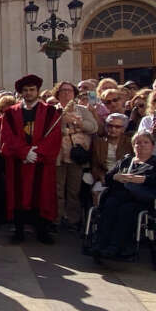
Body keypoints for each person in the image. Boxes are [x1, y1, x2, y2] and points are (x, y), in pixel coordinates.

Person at [0, 74, 63, 244]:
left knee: (42, 195)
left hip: (41, 162)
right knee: (19, 195)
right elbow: (7, 137)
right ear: (21, 93)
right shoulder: (10, 113)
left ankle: (42, 231)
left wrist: (38, 153)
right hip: (19, 162)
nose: (28, 93)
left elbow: (54, 137)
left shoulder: (50, 112)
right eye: (25, 90)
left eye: (32, 90)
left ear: (37, 91)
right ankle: (19, 231)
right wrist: (25, 152)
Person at [92, 132, 156, 260]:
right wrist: (116, 176)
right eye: (138, 143)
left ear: (152, 145)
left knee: (126, 210)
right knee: (110, 204)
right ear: (133, 146)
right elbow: (108, 177)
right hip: (120, 196)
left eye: (146, 142)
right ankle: (100, 244)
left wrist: (143, 179)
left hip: (142, 199)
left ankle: (116, 247)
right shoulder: (126, 160)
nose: (141, 145)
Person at [53, 81, 98, 231]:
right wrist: (62, 124)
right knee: (57, 189)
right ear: (57, 94)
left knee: (74, 190)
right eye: (63, 91)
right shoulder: (52, 110)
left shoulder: (83, 110)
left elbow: (93, 127)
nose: (66, 93)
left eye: (69, 91)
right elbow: (47, 131)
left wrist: (78, 123)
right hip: (58, 156)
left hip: (76, 156)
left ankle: (73, 220)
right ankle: (56, 219)